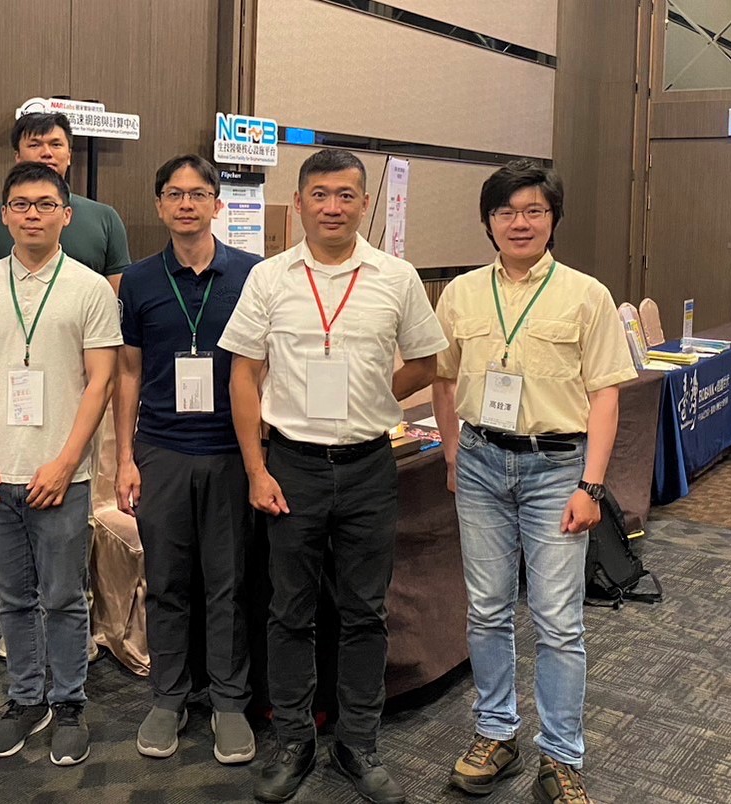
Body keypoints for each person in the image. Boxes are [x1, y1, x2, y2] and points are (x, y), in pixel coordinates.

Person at [218, 149, 446, 804]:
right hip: (290, 464)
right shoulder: (269, 278)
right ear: (299, 203)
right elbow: (243, 375)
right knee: (289, 610)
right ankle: (293, 739)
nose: (333, 207)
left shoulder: (396, 278)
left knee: (365, 612)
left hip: (369, 464)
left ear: (364, 204)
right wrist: (256, 467)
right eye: (319, 194)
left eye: (347, 195)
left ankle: (358, 742)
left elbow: (427, 364)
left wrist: (372, 396)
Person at [431, 160, 636, 804]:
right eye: (506, 212)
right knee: (488, 609)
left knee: (557, 619)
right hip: (482, 461)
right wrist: (450, 452)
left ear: (553, 219)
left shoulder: (586, 294)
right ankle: (497, 732)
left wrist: (592, 486)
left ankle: (562, 755)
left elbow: (605, 396)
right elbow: (443, 376)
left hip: (557, 469)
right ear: (489, 222)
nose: (520, 223)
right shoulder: (460, 291)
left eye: (534, 211)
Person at [0, 162, 120, 767]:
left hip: (60, 475)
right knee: (10, 598)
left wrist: (66, 460)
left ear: (66, 215)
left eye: (45, 205)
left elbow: (100, 382)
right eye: (20, 204)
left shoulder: (91, 289)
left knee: (65, 597)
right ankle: (26, 700)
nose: (32, 215)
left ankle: (69, 702)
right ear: (3, 215)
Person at [114, 154, 259, 764]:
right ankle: (167, 697)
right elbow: (127, 372)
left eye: (199, 194)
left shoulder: (255, 274)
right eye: (174, 194)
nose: (186, 204)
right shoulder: (139, 280)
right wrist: (125, 456)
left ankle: (229, 702)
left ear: (217, 204)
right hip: (162, 452)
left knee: (229, 584)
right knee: (168, 581)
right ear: (159, 205)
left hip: (231, 451)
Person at [0, 113, 131, 292]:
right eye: (35, 145)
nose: (46, 153)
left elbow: (117, 295)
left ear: (69, 156)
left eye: (56, 144)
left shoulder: (105, 218)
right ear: (17, 156)